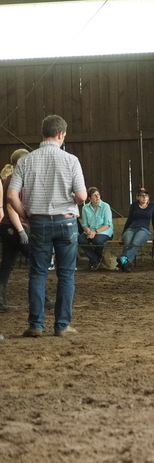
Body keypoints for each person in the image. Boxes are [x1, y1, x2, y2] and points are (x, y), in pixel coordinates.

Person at [8, 114, 87, 337]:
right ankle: (61, 326)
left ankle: (36, 325)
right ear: (61, 134)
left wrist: (26, 214)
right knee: (66, 275)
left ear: (42, 133)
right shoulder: (71, 160)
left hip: (39, 221)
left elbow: (12, 195)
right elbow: (81, 196)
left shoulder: (25, 160)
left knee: (38, 273)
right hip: (66, 221)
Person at [0, 149, 56, 312]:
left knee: (7, 265)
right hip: (13, 226)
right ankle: (43, 299)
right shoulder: (13, 180)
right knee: (37, 259)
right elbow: (10, 207)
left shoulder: (17, 179)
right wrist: (21, 230)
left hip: (9, 227)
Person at [117, 188, 154, 272]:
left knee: (135, 243)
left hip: (144, 230)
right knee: (127, 242)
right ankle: (126, 266)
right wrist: (123, 233)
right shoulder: (134, 205)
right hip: (131, 228)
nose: (144, 198)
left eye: (146, 196)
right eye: (142, 196)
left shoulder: (152, 205)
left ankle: (124, 258)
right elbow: (129, 219)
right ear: (137, 197)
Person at [78, 187, 114, 270]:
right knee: (81, 239)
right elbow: (84, 224)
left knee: (97, 240)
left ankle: (97, 258)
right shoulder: (85, 208)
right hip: (90, 231)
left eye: (98, 195)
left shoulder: (105, 206)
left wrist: (95, 232)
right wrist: (88, 231)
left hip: (104, 231)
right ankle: (94, 259)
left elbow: (107, 224)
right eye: (94, 195)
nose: (97, 197)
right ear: (90, 198)